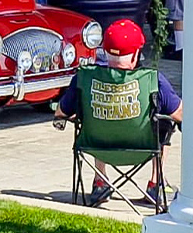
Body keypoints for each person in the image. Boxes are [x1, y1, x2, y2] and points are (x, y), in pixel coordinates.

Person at [53, 19, 182, 206]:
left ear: (104, 51)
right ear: (136, 54)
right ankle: (155, 184)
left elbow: (61, 112)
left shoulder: (84, 77)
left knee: (96, 118)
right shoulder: (153, 80)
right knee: (165, 123)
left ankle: (100, 182)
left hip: (97, 147)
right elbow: (180, 113)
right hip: (143, 149)